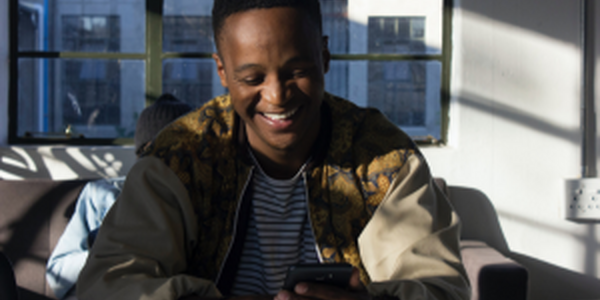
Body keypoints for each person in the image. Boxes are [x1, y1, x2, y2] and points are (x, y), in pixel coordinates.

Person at [77, 1, 471, 300]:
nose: (277, 96)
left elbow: (438, 286)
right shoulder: (181, 157)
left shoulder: (383, 159)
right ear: (222, 72)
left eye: (297, 71)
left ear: (325, 56)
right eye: (252, 78)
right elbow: (107, 285)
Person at [46, 94, 192, 299]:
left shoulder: (201, 203)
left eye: (181, 152)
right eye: (158, 152)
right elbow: (57, 275)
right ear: (142, 154)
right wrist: (108, 253)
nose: (168, 163)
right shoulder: (102, 195)